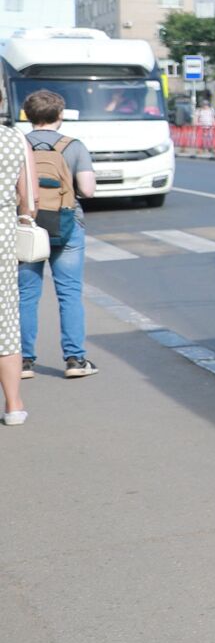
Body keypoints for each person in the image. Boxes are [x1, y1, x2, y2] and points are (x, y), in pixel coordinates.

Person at [18, 89, 95, 379]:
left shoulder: (17, 143)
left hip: (26, 223)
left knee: (26, 293)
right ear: (59, 116)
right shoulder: (74, 146)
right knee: (70, 292)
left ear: (28, 115)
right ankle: (75, 360)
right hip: (66, 223)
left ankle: (24, 361)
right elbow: (87, 189)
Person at [1, 120, 30, 425]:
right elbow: (28, 197)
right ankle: (13, 406)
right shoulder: (15, 140)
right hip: (2, 239)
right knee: (6, 321)